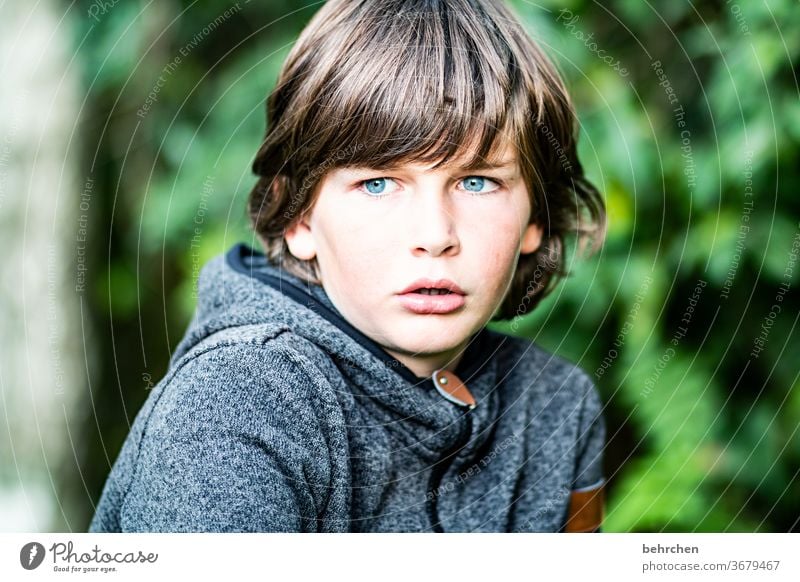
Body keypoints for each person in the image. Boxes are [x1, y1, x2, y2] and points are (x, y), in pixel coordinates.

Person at [90, 0, 607, 533]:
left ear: (535, 219)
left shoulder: (557, 407)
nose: (435, 236)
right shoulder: (237, 403)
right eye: (377, 183)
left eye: (477, 182)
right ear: (300, 217)